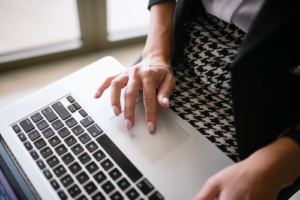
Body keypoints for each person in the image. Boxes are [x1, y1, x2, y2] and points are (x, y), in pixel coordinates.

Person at [94, 0, 300, 199]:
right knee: (102, 151)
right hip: (177, 48)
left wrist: (274, 166)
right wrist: (155, 52)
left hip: (270, 99)